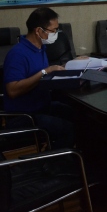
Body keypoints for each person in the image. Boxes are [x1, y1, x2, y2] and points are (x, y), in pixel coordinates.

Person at [2, 8, 75, 149]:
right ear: (38, 31)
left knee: (79, 115)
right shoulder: (18, 54)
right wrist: (45, 71)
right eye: (53, 30)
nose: (56, 34)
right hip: (24, 115)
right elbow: (12, 90)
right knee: (67, 130)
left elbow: (42, 75)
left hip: (42, 106)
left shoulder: (40, 48)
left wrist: (70, 65)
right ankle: (55, 161)